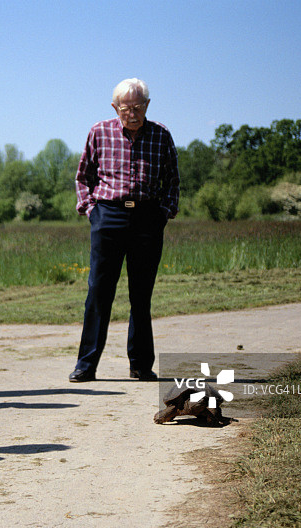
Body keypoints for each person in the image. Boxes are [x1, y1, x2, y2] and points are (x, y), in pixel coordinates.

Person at [69, 78, 179, 383]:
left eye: (138, 106)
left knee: (141, 296)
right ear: (115, 107)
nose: (132, 113)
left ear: (147, 105)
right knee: (99, 293)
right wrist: (91, 211)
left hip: (147, 217)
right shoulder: (99, 132)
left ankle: (141, 365)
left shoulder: (161, 135)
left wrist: (165, 212)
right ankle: (86, 364)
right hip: (108, 216)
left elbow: (172, 181)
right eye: (126, 108)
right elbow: (83, 177)